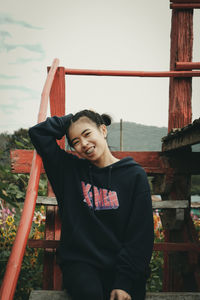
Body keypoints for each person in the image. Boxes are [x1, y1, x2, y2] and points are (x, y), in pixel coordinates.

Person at [29, 109, 154, 300]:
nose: (84, 144)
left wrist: (124, 282)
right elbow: (38, 133)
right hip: (81, 264)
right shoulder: (69, 171)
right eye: (75, 142)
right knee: (90, 294)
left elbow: (140, 236)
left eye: (87, 134)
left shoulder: (134, 175)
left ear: (103, 130)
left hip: (123, 265)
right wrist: (69, 119)